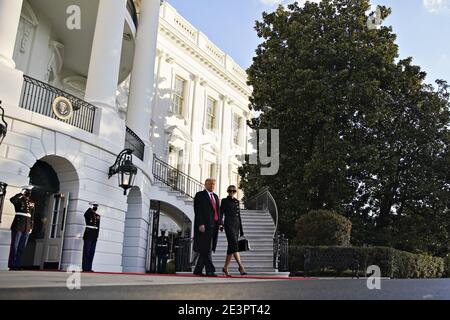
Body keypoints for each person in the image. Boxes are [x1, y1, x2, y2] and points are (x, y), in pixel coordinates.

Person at [193, 178, 222, 276]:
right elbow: (198, 211)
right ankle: (210, 270)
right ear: (205, 185)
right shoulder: (200, 195)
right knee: (207, 248)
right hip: (204, 226)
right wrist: (200, 224)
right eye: (210, 184)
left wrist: (220, 223)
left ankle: (198, 270)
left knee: (205, 248)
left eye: (214, 184)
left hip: (214, 226)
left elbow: (218, 211)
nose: (212, 186)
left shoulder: (216, 196)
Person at [220, 185, 247, 276]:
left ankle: (225, 268)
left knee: (231, 246)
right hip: (228, 224)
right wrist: (220, 223)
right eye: (230, 191)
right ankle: (241, 266)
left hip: (236, 225)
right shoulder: (224, 201)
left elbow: (239, 216)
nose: (232, 192)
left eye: (233, 191)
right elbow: (221, 213)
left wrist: (242, 229)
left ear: (235, 192)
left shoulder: (237, 202)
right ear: (228, 191)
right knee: (234, 244)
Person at [8, 186, 35, 270]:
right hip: (18, 224)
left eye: (29, 191)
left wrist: (31, 227)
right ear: (24, 191)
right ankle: (12, 265)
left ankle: (18, 264)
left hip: (27, 226)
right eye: (27, 191)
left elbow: (32, 215)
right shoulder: (19, 199)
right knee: (15, 246)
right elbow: (12, 200)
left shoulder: (31, 202)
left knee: (22, 247)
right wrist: (20, 193)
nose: (29, 193)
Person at [82, 201, 100, 272]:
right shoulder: (88, 214)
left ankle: (89, 268)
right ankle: (85, 268)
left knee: (92, 252)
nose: (96, 207)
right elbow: (85, 214)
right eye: (94, 206)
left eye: (96, 206)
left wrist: (97, 236)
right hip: (88, 234)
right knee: (87, 251)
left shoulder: (97, 216)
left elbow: (98, 227)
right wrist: (90, 208)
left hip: (94, 235)